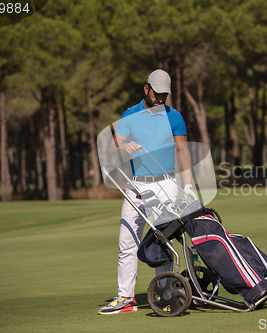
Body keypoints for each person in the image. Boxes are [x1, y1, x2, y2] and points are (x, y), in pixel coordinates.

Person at [98, 69, 196, 315]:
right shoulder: (130, 115)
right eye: (157, 94)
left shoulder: (175, 117)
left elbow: (184, 153)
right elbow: (113, 147)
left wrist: (189, 187)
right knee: (127, 241)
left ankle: (165, 294)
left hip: (165, 185)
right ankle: (126, 299)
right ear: (146, 89)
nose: (161, 99)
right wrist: (125, 146)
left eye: (165, 94)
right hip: (136, 186)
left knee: (164, 242)